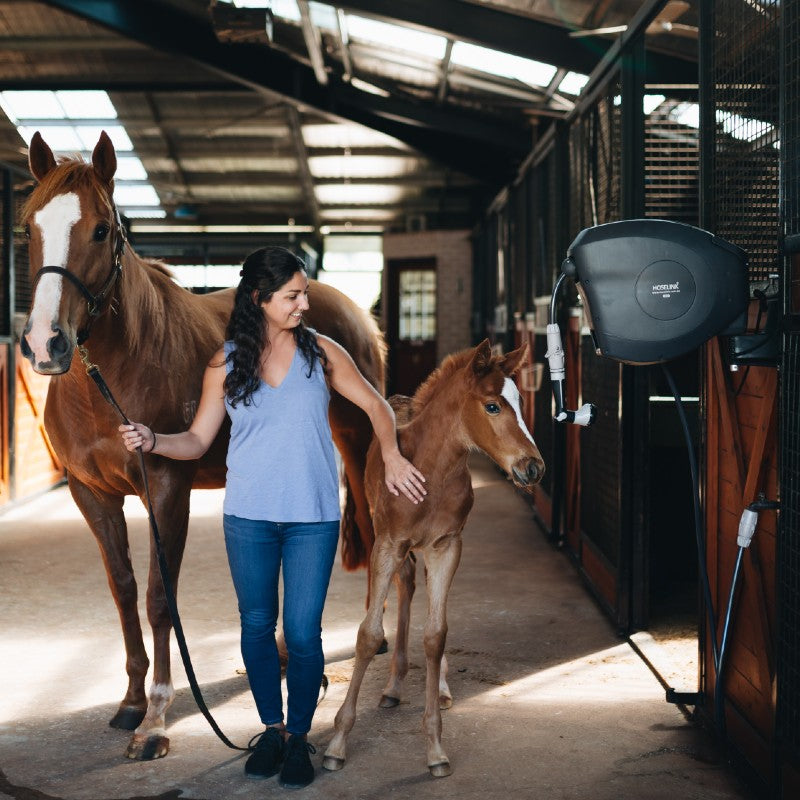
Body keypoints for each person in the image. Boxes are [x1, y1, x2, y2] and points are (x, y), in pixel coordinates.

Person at [119, 246, 426, 789]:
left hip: (312, 519)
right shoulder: (225, 362)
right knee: (258, 630)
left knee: (303, 635)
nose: (304, 303)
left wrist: (394, 454)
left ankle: (300, 737)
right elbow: (196, 441)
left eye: (305, 293)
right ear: (260, 300)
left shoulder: (324, 353)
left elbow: (378, 406)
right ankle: (273, 728)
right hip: (248, 519)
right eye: (292, 296)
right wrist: (153, 439)